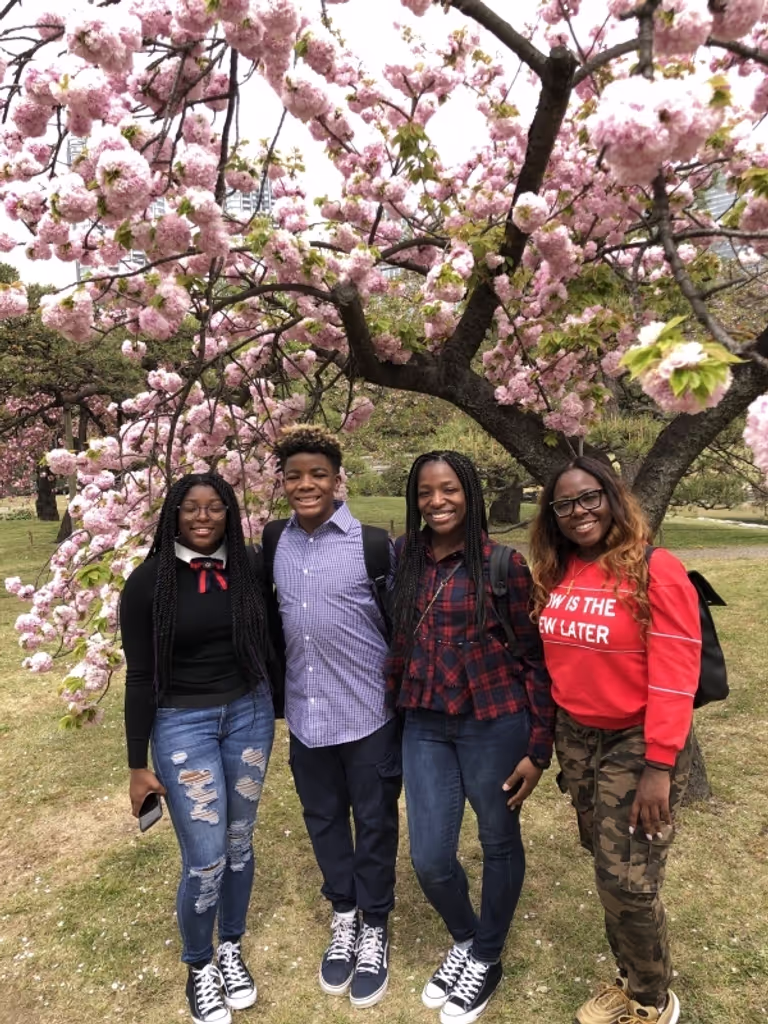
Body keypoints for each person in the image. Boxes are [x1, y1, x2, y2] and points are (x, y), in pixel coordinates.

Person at [528, 457, 702, 1024]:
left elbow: (677, 675)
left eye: (589, 498)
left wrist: (660, 765)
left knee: (629, 881)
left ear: (612, 497)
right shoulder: (557, 571)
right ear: (552, 515)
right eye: (564, 504)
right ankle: (630, 979)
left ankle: (653, 1001)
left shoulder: (656, 569)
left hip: (636, 740)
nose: (578, 512)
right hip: (576, 738)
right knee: (607, 867)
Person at [385, 450, 555, 1024]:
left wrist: (538, 748)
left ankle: (486, 956)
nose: (437, 501)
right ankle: (464, 938)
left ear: (470, 493)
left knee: (498, 839)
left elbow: (535, 660)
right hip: (426, 721)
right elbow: (399, 643)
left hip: (494, 720)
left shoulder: (504, 565)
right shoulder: (406, 557)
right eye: (426, 492)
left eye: (449, 489)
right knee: (431, 857)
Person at [121, 472, 275, 1024]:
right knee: (205, 858)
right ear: (174, 514)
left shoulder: (248, 570)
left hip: (249, 715)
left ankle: (230, 946)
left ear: (230, 513)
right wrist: (138, 765)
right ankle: (200, 964)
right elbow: (139, 678)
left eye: (216, 507)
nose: (204, 517)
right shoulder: (147, 583)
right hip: (182, 724)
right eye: (192, 508)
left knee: (239, 839)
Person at [268, 424, 399, 1009]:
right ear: (283, 483)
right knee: (322, 818)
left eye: (317, 474)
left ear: (337, 478)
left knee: (373, 822)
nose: (306, 484)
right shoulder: (273, 541)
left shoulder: (373, 545)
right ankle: (343, 911)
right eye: (294, 475)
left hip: (368, 712)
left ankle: (374, 923)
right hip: (306, 714)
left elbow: (399, 626)